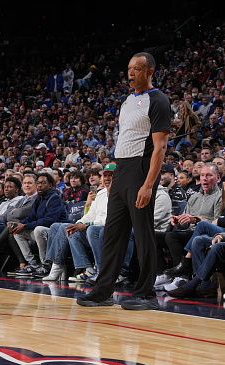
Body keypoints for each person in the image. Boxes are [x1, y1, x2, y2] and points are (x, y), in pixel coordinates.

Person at [77, 52, 171, 310]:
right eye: (129, 68)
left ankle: (146, 293)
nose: (130, 73)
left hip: (141, 169)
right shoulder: (127, 101)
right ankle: (103, 290)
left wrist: (148, 184)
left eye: (137, 69)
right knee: (112, 233)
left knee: (143, 235)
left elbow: (160, 147)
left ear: (150, 71)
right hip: (121, 168)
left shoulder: (159, 100)